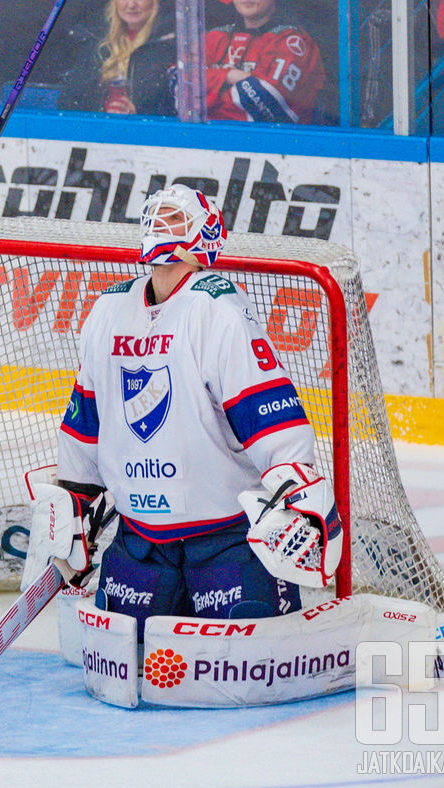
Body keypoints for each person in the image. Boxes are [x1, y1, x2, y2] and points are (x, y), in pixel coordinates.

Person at [28, 184, 342, 633]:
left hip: (226, 538)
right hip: (141, 541)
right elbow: (86, 415)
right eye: (158, 216)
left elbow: (266, 408)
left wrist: (297, 493)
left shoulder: (219, 308)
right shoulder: (109, 308)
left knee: (239, 658)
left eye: (175, 218)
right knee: (128, 655)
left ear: (203, 236)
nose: (162, 224)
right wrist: (78, 500)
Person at [204, 0, 325, 123]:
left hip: (273, 141)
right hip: (206, 139)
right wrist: (230, 75)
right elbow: (181, 86)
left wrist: (206, 101)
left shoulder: (293, 41)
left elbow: (267, 103)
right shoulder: (213, 38)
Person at [58, 0, 173, 114]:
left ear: (155, 1)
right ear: (114, 1)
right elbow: (69, 99)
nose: (131, 5)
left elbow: (176, 107)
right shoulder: (96, 41)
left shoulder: (170, 44)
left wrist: (139, 115)